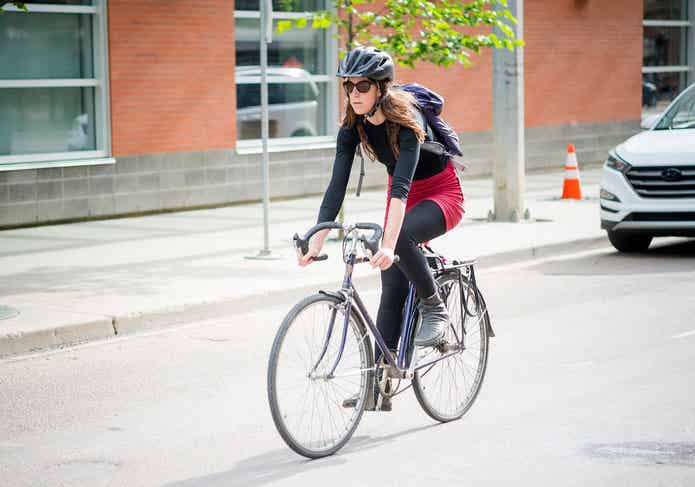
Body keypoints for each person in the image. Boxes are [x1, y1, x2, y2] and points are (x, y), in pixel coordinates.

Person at [296, 46, 465, 408]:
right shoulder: (351, 128)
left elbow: (402, 189)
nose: (353, 94)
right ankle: (378, 387)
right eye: (348, 87)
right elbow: (336, 187)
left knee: (398, 240)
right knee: (391, 286)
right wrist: (317, 238)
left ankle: (434, 306)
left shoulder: (407, 124)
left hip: (440, 194)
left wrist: (390, 245)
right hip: (401, 198)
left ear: (380, 89)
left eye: (361, 87)